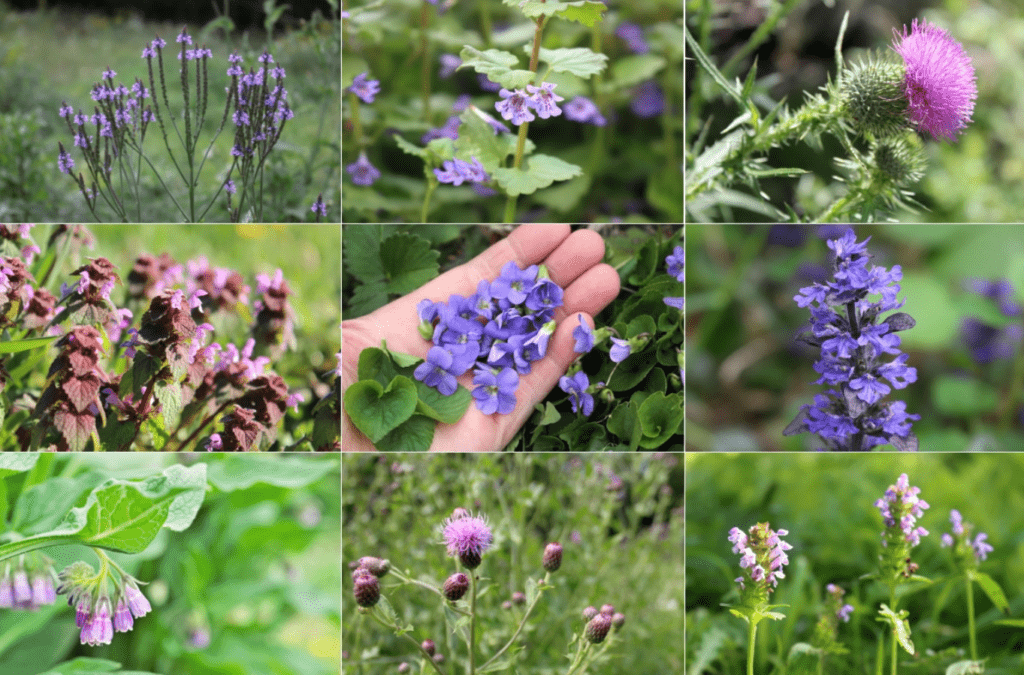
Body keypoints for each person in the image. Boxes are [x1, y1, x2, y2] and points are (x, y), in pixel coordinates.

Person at [342, 224, 620, 451]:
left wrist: (525, 332)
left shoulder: (479, 336)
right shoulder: (466, 339)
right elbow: (472, 339)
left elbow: (480, 341)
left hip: (510, 339)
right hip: (496, 344)